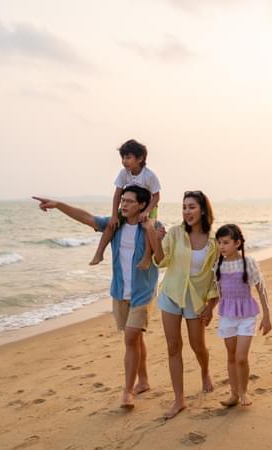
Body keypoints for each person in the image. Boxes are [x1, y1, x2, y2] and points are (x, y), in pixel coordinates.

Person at [32, 185, 159, 410]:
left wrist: (152, 231)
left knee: (130, 338)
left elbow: (161, 255)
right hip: (120, 291)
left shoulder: (153, 226)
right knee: (135, 339)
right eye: (123, 201)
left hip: (143, 292)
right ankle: (144, 381)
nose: (124, 204)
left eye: (130, 201)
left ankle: (127, 392)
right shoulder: (115, 225)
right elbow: (86, 217)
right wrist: (59, 205)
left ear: (141, 204)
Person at [144, 190, 219, 419]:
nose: (187, 211)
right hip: (171, 295)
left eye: (192, 207)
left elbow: (217, 278)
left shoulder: (214, 241)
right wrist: (156, 239)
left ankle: (205, 371)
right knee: (173, 347)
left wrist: (211, 305)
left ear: (203, 210)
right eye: (184, 207)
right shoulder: (175, 233)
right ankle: (179, 399)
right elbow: (161, 261)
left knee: (198, 346)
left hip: (196, 300)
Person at [213, 224, 272, 407]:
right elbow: (218, 292)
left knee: (241, 356)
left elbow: (261, 289)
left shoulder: (249, 263)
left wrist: (266, 316)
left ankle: (244, 391)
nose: (222, 247)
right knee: (231, 356)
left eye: (226, 242)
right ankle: (234, 394)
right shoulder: (218, 265)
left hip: (247, 314)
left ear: (237, 243)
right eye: (219, 243)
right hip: (227, 315)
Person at [90, 139, 161, 269]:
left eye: (128, 157)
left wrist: (146, 212)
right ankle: (99, 253)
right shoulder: (124, 173)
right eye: (123, 157)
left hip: (149, 205)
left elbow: (156, 197)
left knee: (148, 226)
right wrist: (114, 215)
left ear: (140, 158)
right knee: (112, 225)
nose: (124, 161)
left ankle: (146, 257)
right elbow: (117, 194)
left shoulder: (149, 175)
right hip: (131, 203)